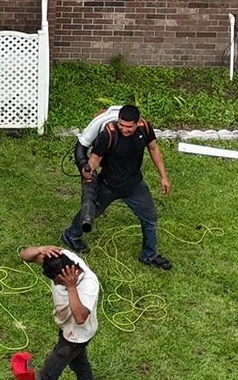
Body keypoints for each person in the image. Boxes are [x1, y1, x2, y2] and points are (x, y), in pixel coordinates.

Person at [65, 101, 172, 270]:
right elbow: (95, 158)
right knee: (91, 213)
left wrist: (164, 177)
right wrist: (88, 170)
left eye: (129, 126)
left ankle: (149, 256)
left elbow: (153, 149)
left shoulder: (145, 128)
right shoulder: (108, 133)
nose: (124, 129)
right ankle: (71, 235)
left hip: (135, 185)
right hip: (109, 185)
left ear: (137, 123)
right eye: (121, 125)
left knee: (150, 219)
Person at [3, 246, 103, 380]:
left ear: (69, 273)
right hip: (67, 328)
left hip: (76, 335)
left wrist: (71, 287)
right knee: (79, 364)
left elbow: (80, 318)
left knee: (49, 372)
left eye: (59, 281)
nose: (56, 284)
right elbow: (24, 255)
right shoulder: (58, 259)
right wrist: (40, 249)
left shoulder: (89, 283)